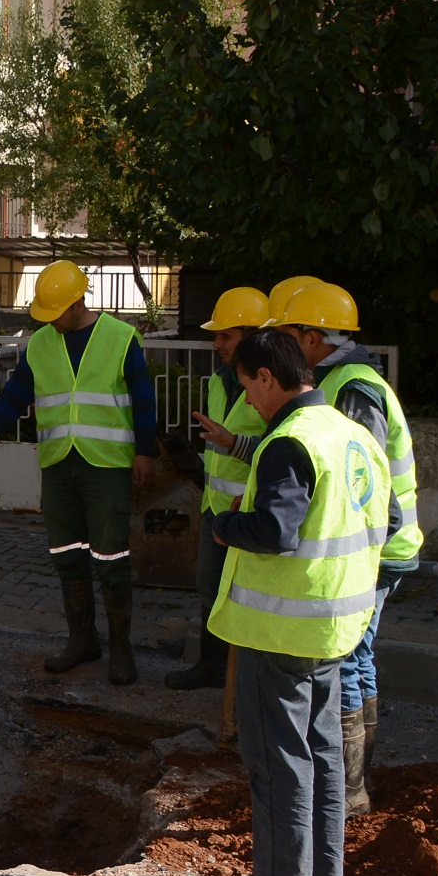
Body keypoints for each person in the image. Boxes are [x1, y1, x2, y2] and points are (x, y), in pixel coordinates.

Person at [205, 326, 392, 876]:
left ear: (266, 376)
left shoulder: (289, 441)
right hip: (336, 626)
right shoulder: (349, 433)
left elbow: (278, 533)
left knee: (279, 760)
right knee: (323, 751)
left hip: (282, 631)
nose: (249, 401)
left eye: (248, 386)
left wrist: (225, 528)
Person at [0, 260, 158, 684]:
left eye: (56, 313)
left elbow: (143, 399)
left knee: (111, 559)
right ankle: (82, 641)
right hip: (57, 464)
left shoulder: (121, 338)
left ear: (77, 303)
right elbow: (16, 392)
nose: (50, 322)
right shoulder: (40, 344)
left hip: (105, 465)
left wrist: (145, 452)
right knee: (67, 557)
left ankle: (121, 650)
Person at [271, 280, 419, 816]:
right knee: (357, 656)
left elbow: (367, 480)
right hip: (376, 545)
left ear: (313, 338)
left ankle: (350, 791)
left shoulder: (354, 388)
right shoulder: (342, 380)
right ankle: (352, 784)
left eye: (287, 333)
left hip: (374, 548)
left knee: (349, 658)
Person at [170, 285, 273, 692]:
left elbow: (285, 451)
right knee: (210, 589)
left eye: (225, 335)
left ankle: (245, 678)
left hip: (252, 511)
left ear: (250, 335)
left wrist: (235, 444)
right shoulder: (219, 379)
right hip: (218, 506)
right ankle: (214, 668)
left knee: (249, 595)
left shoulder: (272, 382)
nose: (217, 343)